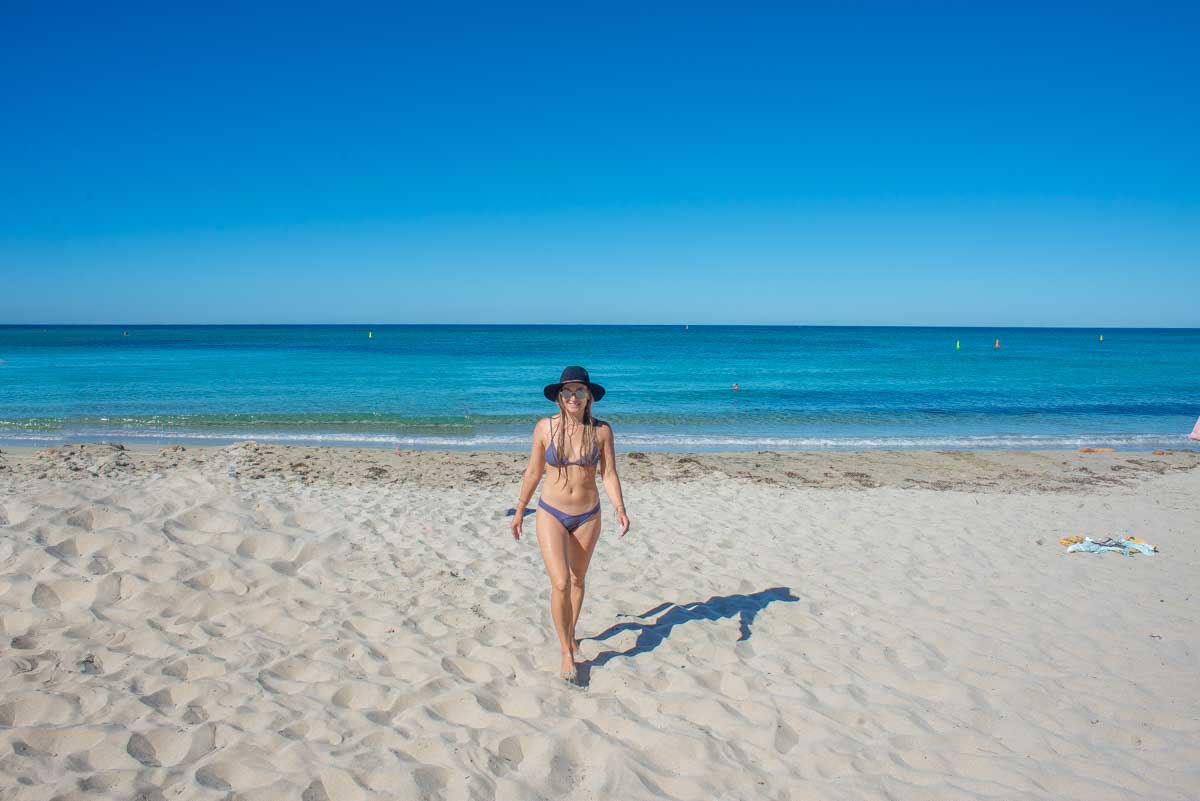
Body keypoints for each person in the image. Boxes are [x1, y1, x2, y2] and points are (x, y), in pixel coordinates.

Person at [511, 366, 630, 683]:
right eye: (567, 391)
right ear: (559, 398)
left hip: (588, 514)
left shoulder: (602, 431)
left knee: (578, 580)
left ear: (589, 395)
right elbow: (533, 472)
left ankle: (571, 633)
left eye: (579, 391)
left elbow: (608, 474)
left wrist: (620, 507)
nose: (573, 396)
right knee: (561, 582)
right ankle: (566, 652)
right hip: (550, 511)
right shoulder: (544, 429)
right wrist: (521, 509)